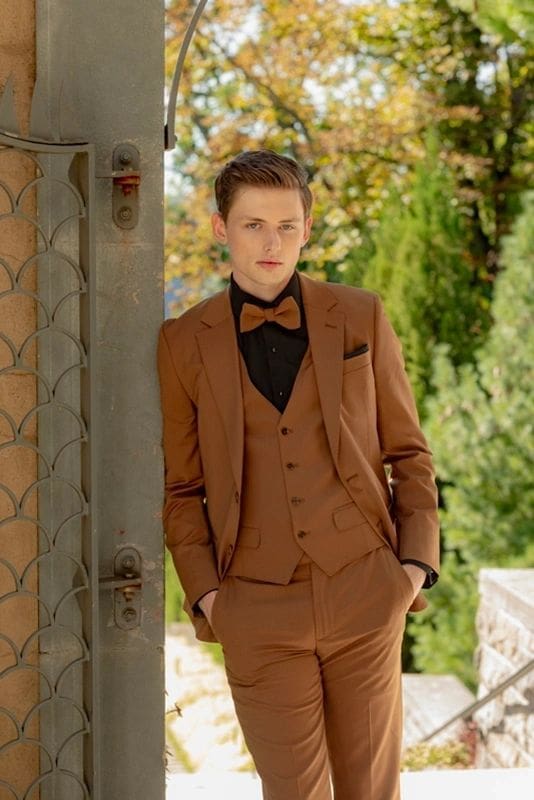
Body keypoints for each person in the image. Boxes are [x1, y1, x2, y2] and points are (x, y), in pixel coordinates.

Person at [157, 149, 439, 800]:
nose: (272, 242)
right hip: (255, 607)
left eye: (287, 225)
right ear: (220, 228)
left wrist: (413, 569)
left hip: (366, 592)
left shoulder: (360, 315)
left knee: (373, 793)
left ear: (307, 229)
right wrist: (210, 600)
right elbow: (181, 491)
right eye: (254, 224)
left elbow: (409, 453)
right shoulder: (182, 341)